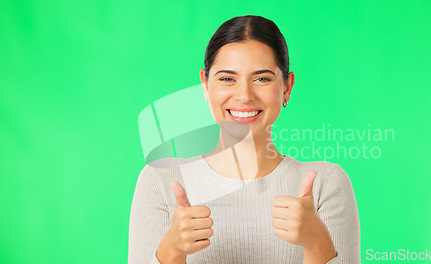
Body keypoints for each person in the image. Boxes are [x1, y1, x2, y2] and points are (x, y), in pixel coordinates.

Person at [128, 15, 360, 264]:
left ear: (286, 87)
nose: (244, 95)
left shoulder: (326, 184)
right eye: (227, 78)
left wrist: (317, 244)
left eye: (262, 79)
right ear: (205, 85)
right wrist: (171, 253)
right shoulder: (160, 180)